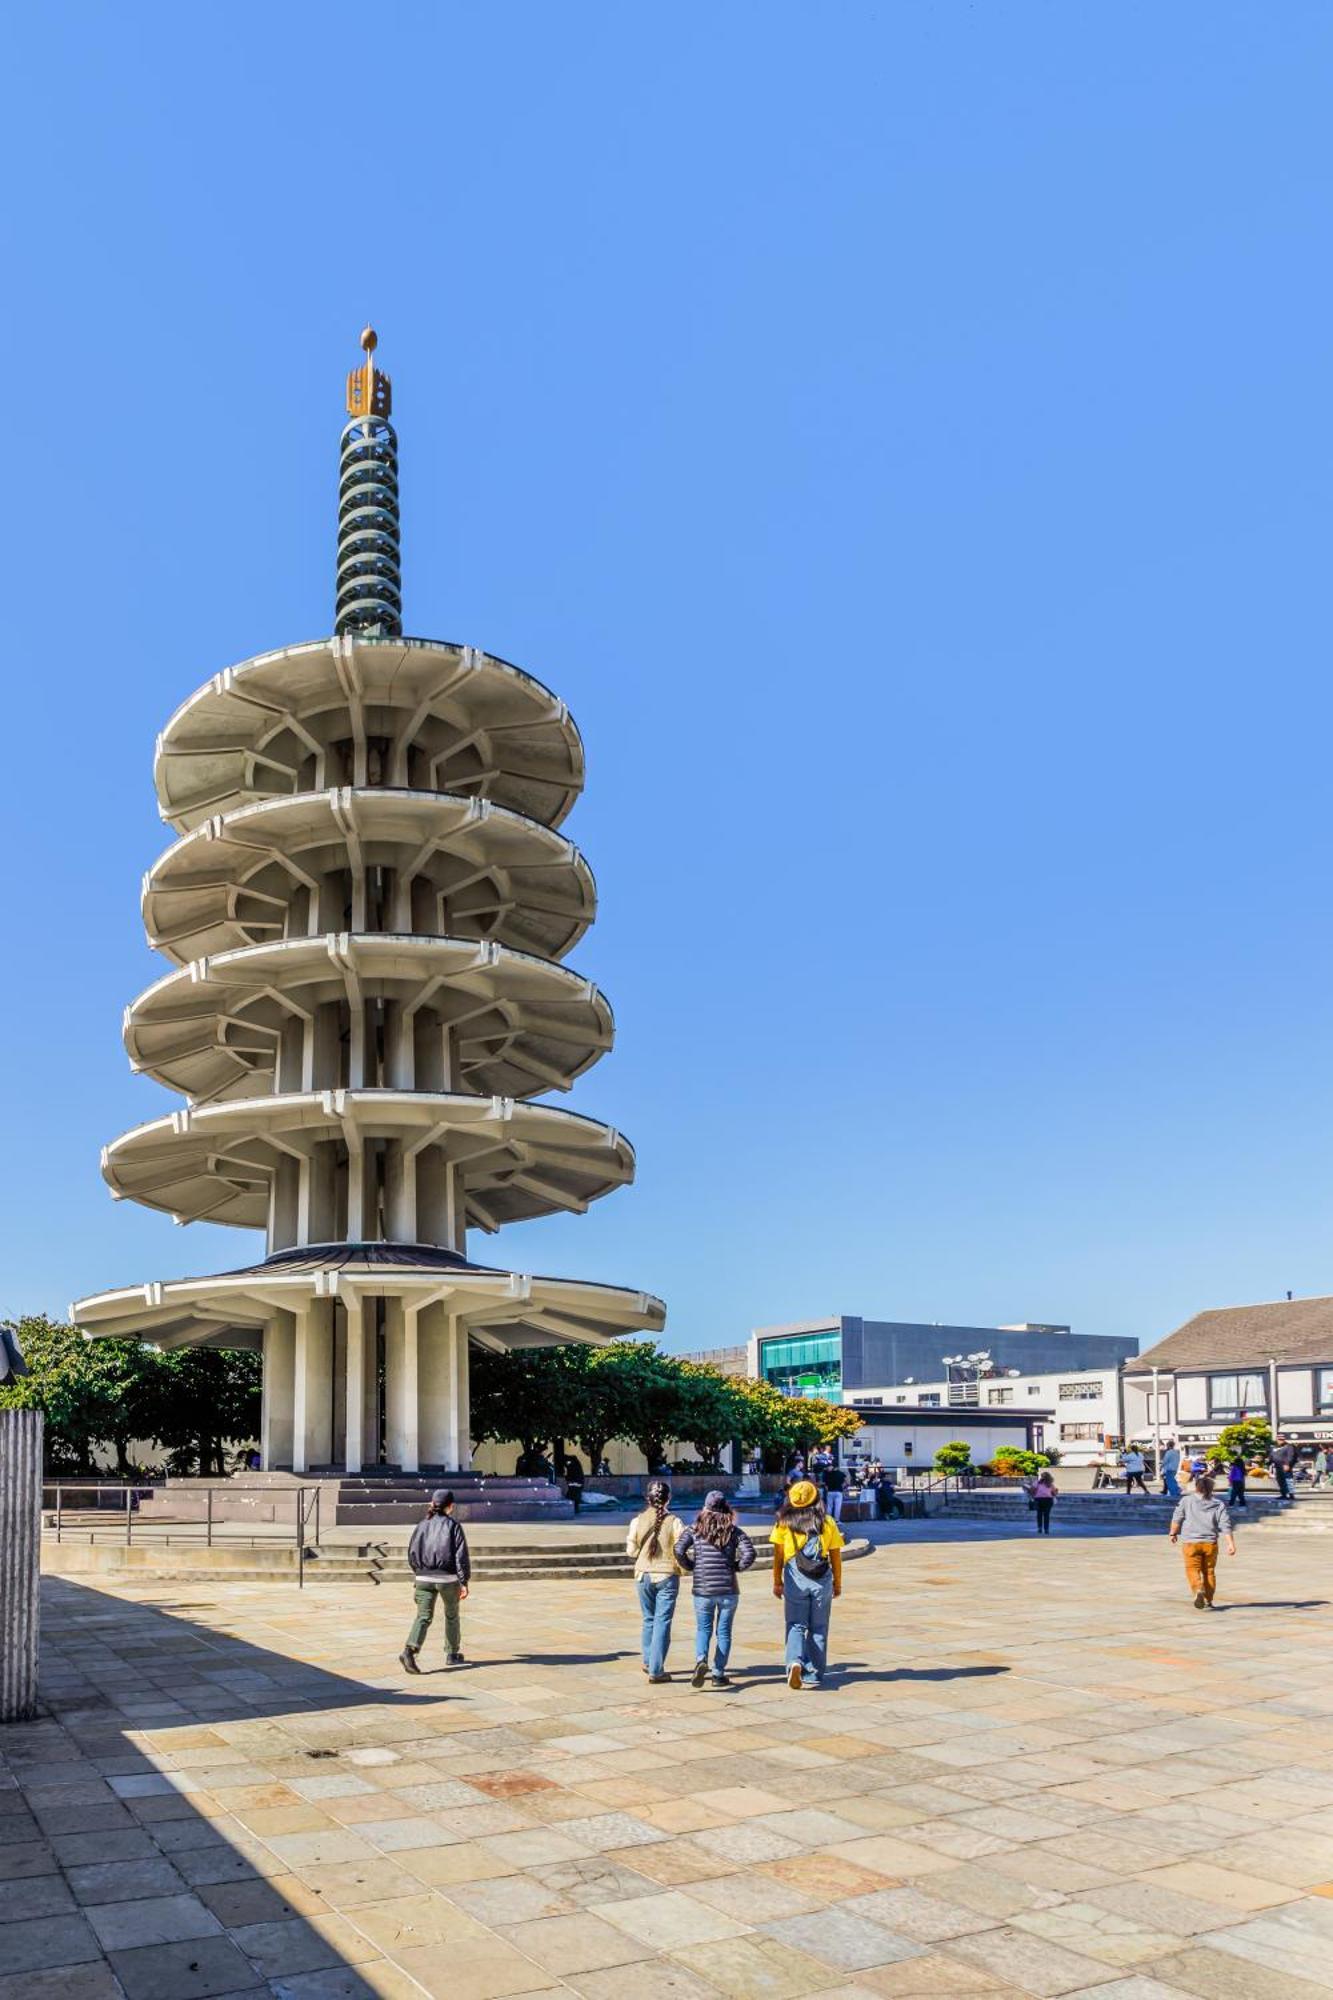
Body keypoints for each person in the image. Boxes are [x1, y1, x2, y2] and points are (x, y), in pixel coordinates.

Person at [675, 1490, 755, 1689]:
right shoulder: (734, 1530)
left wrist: (691, 1566)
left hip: (703, 1589)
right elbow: (750, 1553)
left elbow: (678, 1549)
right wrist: (736, 1567)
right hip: (728, 1588)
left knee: (703, 1628)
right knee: (724, 1632)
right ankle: (718, 1673)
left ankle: (701, 1660)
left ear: (705, 1508)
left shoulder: (695, 1529)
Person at [770, 1478, 844, 1690]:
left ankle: (794, 1661)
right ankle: (813, 1673)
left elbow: (778, 1555)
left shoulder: (783, 1522)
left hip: (795, 1578)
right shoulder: (827, 1522)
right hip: (821, 1579)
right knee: (818, 1627)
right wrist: (838, 1583)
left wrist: (777, 1581)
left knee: (795, 1624)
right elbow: (836, 1555)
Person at [401, 1489, 470, 1673]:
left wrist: (419, 1572)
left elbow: (411, 1552)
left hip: (423, 1577)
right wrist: (464, 1582)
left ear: (432, 1504)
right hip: (447, 1577)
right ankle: (452, 1653)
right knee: (451, 1615)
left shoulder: (422, 1525)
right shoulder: (453, 1525)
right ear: (451, 1506)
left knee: (423, 1617)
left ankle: (410, 1650)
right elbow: (460, 1556)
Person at [626, 1478, 687, 1682]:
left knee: (648, 1619)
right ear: (669, 1498)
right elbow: (681, 1549)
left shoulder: (637, 1520)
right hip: (666, 1575)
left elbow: (631, 1551)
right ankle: (656, 1669)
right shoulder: (675, 1522)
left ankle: (647, 1660)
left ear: (648, 1498)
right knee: (663, 1621)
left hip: (642, 1574)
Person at [1169, 1474, 1237, 1608]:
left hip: (1190, 1542)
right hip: (1210, 1543)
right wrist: (1231, 1544)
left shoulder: (1186, 1501)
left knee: (1192, 1569)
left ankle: (1198, 1589)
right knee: (1209, 1571)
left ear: (1196, 1487)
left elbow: (1177, 1518)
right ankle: (1208, 1599)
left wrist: (1173, 1533)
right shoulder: (1218, 1504)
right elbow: (1225, 1524)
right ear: (1211, 1489)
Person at [1271, 1435, 1297, 1503]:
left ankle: (1291, 1495)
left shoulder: (1289, 1446)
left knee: (1288, 1480)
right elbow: (1271, 1456)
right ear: (1276, 1439)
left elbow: (1291, 1456)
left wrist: (1288, 1464)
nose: (1280, 1440)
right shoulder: (1274, 1447)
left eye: (1282, 1439)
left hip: (1285, 1466)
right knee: (1280, 1481)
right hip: (1277, 1466)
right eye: (1279, 1439)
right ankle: (1283, 1494)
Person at [1031, 1468, 1057, 1535]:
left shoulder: (1037, 1483)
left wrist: (1033, 1495)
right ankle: (1046, 1529)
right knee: (1047, 1515)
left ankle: (1039, 1528)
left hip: (1038, 1499)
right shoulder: (1050, 1484)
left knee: (1039, 1514)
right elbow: (1054, 1492)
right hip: (1048, 1500)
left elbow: (1032, 1490)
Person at [824, 1458, 847, 1523]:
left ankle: (828, 1520)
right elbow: (846, 1481)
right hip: (838, 1491)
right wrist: (843, 1486)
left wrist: (827, 1489)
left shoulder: (828, 1474)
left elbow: (825, 1484)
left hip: (830, 1491)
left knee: (829, 1506)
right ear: (838, 1466)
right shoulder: (841, 1473)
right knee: (838, 1506)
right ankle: (836, 1520)